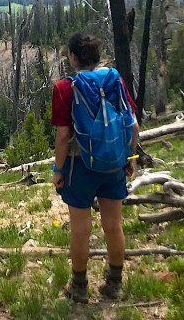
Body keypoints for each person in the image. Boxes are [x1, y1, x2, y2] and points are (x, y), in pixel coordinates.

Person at [51, 33, 139, 303]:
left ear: (73, 57)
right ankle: (115, 283)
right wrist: (130, 158)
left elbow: (63, 136)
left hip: (80, 165)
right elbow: (133, 124)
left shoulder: (66, 88)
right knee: (113, 225)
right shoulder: (115, 80)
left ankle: (79, 287)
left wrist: (58, 170)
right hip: (114, 163)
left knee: (81, 229)